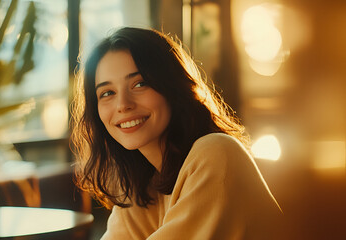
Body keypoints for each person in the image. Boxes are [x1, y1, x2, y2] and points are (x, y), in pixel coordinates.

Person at [71, 27, 283, 239]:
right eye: (107, 93)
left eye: (140, 83)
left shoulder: (216, 152)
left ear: (171, 86)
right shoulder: (143, 188)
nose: (123, 105)